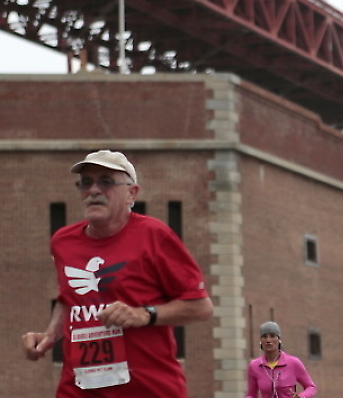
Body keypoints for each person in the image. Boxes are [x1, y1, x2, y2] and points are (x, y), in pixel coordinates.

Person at [21, 149, 214, 398]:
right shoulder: (63, 241)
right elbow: (69, 298)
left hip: (148, 390)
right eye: (86, 182)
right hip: (78, 388)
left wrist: (145, 314)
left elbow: (200, 307)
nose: (94, 190)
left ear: (131, 194)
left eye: (106, 182)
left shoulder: (154, 236)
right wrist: (49, 335)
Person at [245, 321, 317, 398]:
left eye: (272, 336)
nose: (268, 340)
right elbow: (251, 395)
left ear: (279, 339)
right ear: (260, 341)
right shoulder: (254, 366)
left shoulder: (293, 362)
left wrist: (301, 396)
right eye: (264, 337)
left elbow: (311, 387)